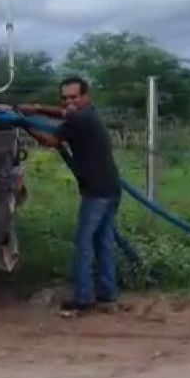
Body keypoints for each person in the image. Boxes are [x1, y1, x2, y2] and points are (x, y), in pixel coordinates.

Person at [18, 76, 122, 315]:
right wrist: (37, 109)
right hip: (110, 187)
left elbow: (52, 141)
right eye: (65, 98)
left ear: (86, 96)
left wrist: (24, 122)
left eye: (74, 97)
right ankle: (108, 296)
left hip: (96, 191)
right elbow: (64, 114)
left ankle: (83, 299)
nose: (69, 102)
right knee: (103, 242)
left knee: (84, 243)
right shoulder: (87, 114)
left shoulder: (80, 119)